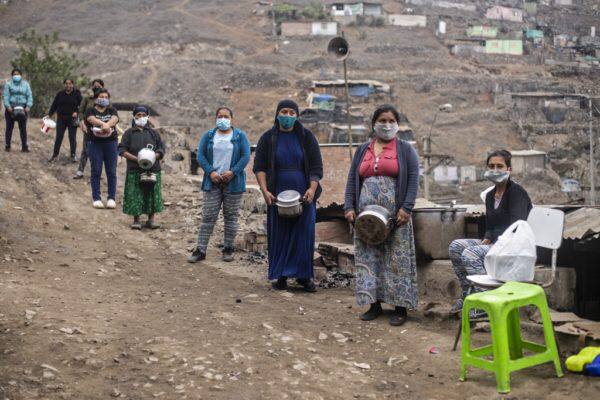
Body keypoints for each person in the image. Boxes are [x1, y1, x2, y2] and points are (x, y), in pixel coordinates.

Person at [344, 104, 419, 326]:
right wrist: (349, 207)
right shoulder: (362, 150)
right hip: (366, 218)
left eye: (391, 121)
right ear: (374, 123)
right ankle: (373, 304)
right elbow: (352, 180)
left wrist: (406, 208)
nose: (386, 125)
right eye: (382, 120)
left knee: (397, 259)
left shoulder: (405, 149)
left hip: (396, 215)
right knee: (369, 257)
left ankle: (399, 307)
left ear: (397, 124)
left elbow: (414, 178)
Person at [449, 150, 532, 315]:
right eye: (491, 166)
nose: (495, 170)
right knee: (456, 246)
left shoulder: (516, 193)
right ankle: (467, 294)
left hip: (513, 246)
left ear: (509, 169)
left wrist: (496, 241)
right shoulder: (490, 195)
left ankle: (485, 302)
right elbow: (490, 225)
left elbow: (517, 226)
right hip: (496, 243)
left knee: (471, 254)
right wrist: (487, 237)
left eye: (500, 166)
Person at [253, 100, 323, 292]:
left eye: (292, 112)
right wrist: (265, 190)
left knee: (303, 233)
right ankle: (281, 275)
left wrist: (311, 189)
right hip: (277, 193)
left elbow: (316, 167)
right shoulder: (268, 138)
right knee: (280, 233)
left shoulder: (306, 137)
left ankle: (304, 276)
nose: (288, 115)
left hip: (303, 192)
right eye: (284, 111)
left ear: (297, 115)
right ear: (277, 114)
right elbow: (259, 167)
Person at [188, 107, 251, 263]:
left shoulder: (240, 136)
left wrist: (233, 172)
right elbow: (200, 155)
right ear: (215, 118)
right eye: (220, 116)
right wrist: (210, 172)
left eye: (226, 116)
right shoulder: (209, 135)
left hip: (233, 183)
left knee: (231, 217)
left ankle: (228, 248)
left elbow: (245, 156)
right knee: (208, 217)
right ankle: (200, 250)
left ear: (231, 118)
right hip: (213, 181)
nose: (223, 119)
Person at [118, 105, 165, 229]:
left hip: (153, 169)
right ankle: (136, 220)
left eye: (144, 115)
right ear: (134, 117)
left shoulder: (154, 133)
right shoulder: (129, 133)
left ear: (147, 116)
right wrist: (136, 159)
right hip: (135, 169)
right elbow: (122, 149)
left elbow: (161, 148)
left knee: (152, 194)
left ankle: (151, 220)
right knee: (135, 194)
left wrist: (155, 155)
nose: (141, 117)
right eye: (138, 115)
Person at [84, 88, 119, 209]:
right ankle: (97, 198)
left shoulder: (112, 109)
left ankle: (111, 198)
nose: (104, 99)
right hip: (95, 143)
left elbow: (115, 119)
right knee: (96, 170)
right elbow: (91, 119)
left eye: (106, 97)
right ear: (96, 98)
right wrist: (104, 125)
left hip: (111, 143)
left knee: (111, 171)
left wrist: (107, 125)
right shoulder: (90, 110)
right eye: (101, 97)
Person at [74, 79, 105, 179]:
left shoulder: (105, 100)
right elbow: (81, 111)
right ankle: (80, 171)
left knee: (98, 151)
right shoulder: (87, 99)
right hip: (88, 128)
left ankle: (97, 172)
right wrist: (82, 122)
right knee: (86, 149)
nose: (96, 88)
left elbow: (111, 113)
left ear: (102, 87)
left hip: (101, 129)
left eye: (99, 86)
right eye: (95, 86)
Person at [47, 78, 82, 163]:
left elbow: (81, 106)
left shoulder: (77, 94)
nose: (68, 85)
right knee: (59, 136)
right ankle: (55, 155)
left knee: (72, 137)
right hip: (61, 118)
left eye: (70, 83)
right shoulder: (60, 94)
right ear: (64, 85)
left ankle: (73, 155)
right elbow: (54, 105)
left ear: (72, 84)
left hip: (72, 119)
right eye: (66, 83)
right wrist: (49, 114)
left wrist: (76, 112)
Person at [3, 68, 33, 152]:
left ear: (21, 75)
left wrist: (28, 106)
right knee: (9, 127)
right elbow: (5, 96)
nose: (16, 76)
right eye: (14, 74)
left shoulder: (26, 84)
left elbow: (29, 96)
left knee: (23, 128)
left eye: (17, 74)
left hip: (23, 109)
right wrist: (8, 106)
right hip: (11, 109)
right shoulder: (8, 84)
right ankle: (7, 145)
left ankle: (24, 146)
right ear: (12, 76)